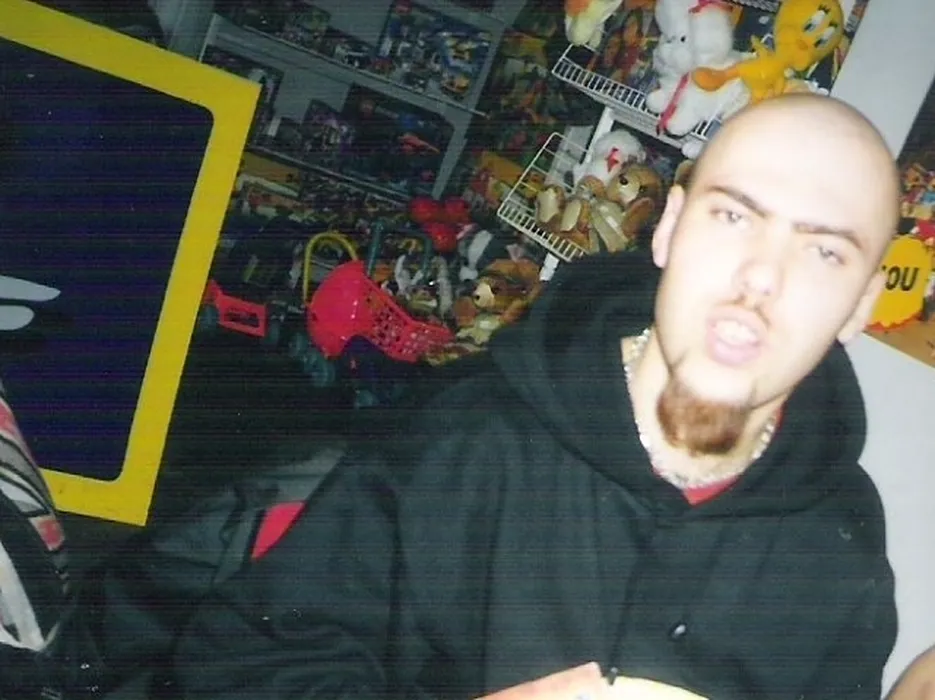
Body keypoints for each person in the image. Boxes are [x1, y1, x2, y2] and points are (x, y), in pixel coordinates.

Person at [170, 93, 901, 700]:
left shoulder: (843, 547)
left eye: (823, 251)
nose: (761, 278)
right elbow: (243, 668)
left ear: (860, 306)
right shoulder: (471, 437)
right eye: (734, 216)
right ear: (670, 229)